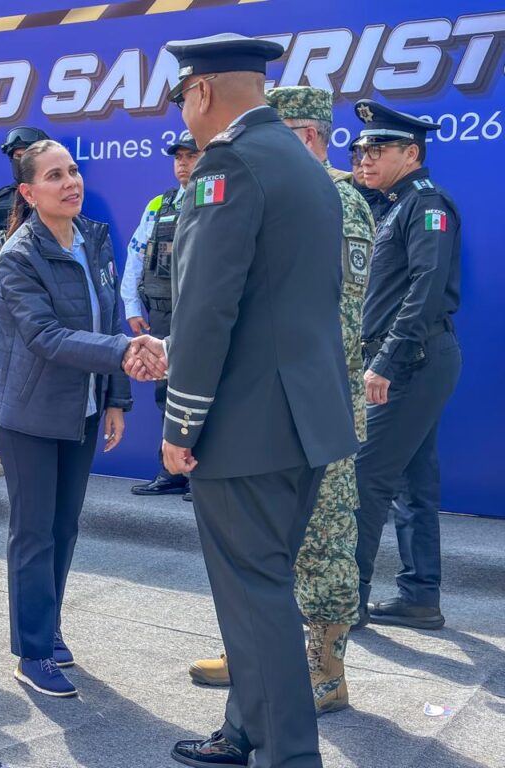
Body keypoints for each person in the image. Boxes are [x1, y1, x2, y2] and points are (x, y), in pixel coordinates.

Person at [157, 34, 357, 767]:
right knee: (259, 588)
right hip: (302, 419)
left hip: (247, 427)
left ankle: (287, 756)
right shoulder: (304, 167)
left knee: (256, 597)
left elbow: (208, 310)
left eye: (183, 97)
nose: (185, 112)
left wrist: (181, 421)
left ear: (202, 91)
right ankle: (244, 731)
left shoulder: (227, 167)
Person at [188, 86, 375, 716]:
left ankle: (322, 666)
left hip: (320, 400)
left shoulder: (338, 200)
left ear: (312, 135)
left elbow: (337, 317)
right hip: (280, 400)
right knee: (267, 550)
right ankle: (260, 663)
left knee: (323, 539)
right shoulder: (285, 192)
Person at [0, 139, 164, 698]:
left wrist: (116, 397)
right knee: (34, 532)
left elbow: (111, 312)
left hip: (84, 408)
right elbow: (45, 336)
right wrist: (121, 353)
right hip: (30, 414)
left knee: (63, 527)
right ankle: (31, 650)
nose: (70, 182)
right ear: (28, 192)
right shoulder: (18, 256)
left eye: (73, 171)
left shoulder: (93, 237)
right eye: (54, 176)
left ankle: (49, 625)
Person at [351, 100, 462, 631]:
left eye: (378, 148)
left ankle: (343, 604)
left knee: (366, 477)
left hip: (412, 359)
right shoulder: (386, 204)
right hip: (405, 358)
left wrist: (387, 361)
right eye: (360, 148)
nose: (364, 157)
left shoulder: (426, 203)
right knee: (413, 480)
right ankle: (420, 596)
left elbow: (426, 285)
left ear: (411, 153)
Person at [122, 130, 200, 497]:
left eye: (191, 156)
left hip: (204, 315)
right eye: (178, 157)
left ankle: (204, 476)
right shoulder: (159, 205)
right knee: (167, 393)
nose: (183, 164)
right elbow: (136, 254)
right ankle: (172, 472)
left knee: (206, 391)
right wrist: (132, 306)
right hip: (165, 315)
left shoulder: (224, 200)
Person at [0, 125, 50, 478]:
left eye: (26, 157)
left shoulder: (56, 192)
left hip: (43, 302)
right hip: (1, 300)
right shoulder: (2, 198)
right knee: (2, 377)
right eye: (15, 158)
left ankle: (41, 453)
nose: (20, 163)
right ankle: (5, 454)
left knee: (44, 375)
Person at [349, 138, 390, 223]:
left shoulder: (393, 201)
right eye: (356, 158)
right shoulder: (340, 195)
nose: (363, 163)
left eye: (373, 157)